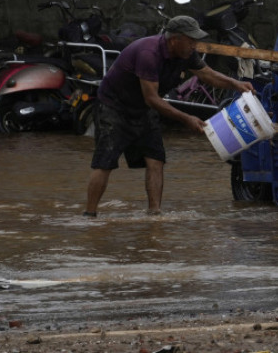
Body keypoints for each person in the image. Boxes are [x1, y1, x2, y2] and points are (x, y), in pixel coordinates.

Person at [84, 15, 253, 216]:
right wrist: (186, 118)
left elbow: (206, 73)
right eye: (191, 41)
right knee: (105, 162)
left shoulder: (185, 53)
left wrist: (236, 84)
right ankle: (90, 215)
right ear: (175, 39)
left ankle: (154, 214)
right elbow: (152, 99)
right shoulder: (149, 53)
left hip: (143, 108)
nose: (195, 45)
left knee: (156, 159)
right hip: (114, 107)